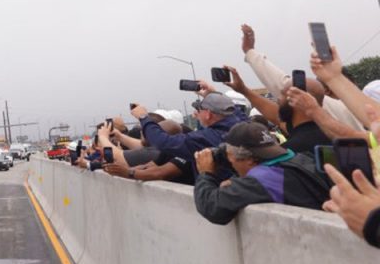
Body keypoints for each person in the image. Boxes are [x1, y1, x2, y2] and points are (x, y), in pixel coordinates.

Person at [193, 121, 330, 224]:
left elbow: (212, 207)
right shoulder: (300, 158)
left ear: (250, 161)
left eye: (229, 156)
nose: (230, 161)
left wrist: (206, 173)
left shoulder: (264, 180)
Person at [239, 24, 363, 130]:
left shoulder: (347, 112)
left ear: (327, 90)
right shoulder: (366, 112)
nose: (280, 98)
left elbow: (284, 85)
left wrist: (250, 52)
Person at [129, 90, 244, 185]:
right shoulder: (244, 125)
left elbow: (162, 141)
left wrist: (143, 117)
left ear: (208, 114)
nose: (196, 113)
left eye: (200, 110)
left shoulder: (203, 138)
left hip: (218, 198)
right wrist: (211, 93)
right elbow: (235, 111)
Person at [222, 65, 330, 155]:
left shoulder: (289, 153)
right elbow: (276, 116)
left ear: (296, 101)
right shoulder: (334, 135)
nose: (278, 100)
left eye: (282, 94)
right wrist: (243, 90)